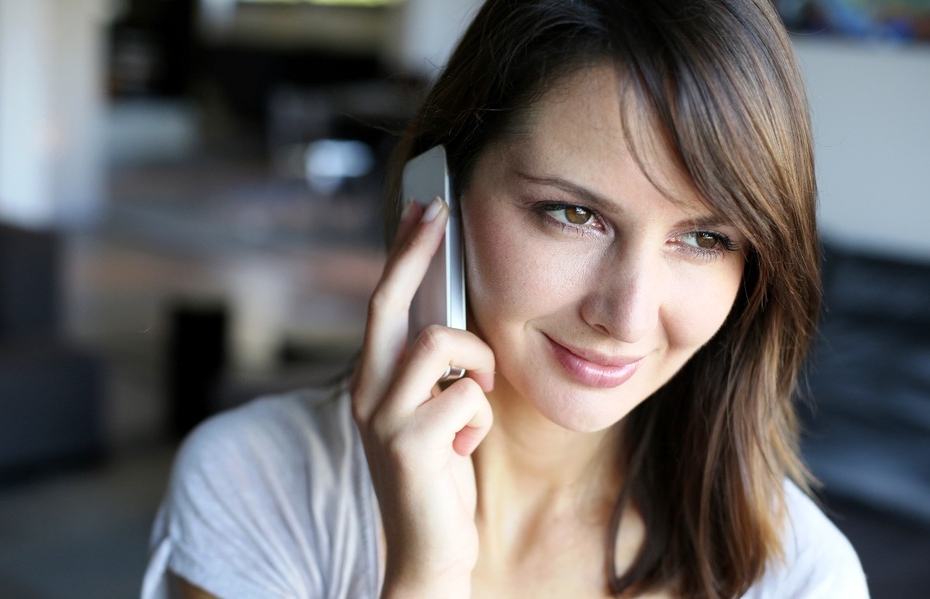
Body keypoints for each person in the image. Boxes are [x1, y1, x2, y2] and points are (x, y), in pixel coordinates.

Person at [142, 0, 870, 597]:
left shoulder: (802, 575)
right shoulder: (255, 485)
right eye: (573, 214)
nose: (627, 315)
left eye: (706, 239)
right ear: (443, 193)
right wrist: (427, 575)